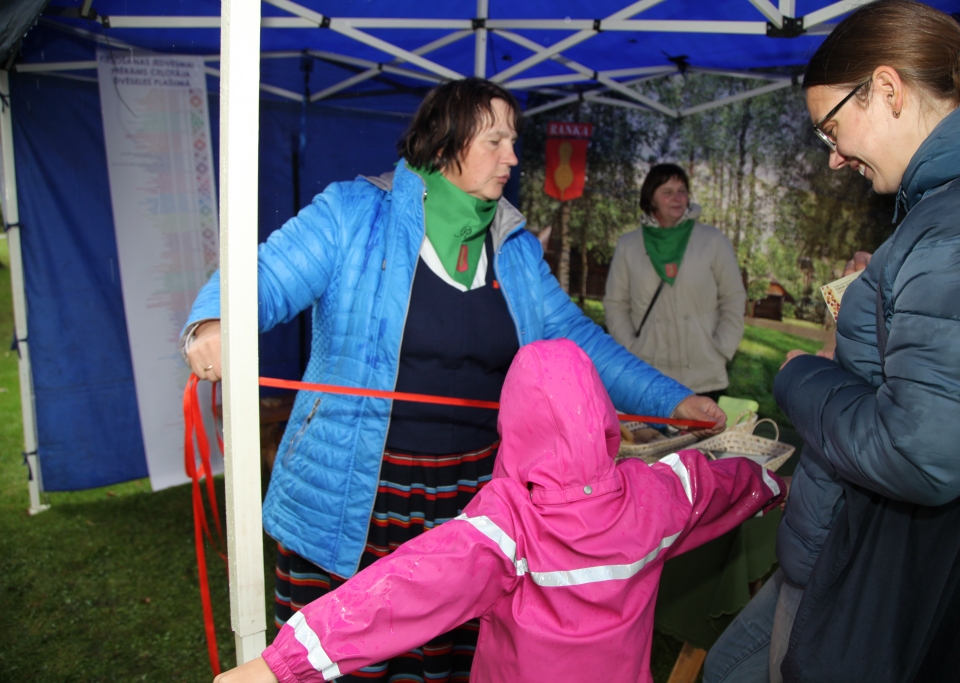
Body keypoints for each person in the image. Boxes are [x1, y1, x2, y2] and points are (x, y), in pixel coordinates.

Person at [182, 78, 726, 681]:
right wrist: (215, 321)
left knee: (449, 665)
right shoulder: (354, 213)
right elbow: (264, 276)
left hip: (475, 494)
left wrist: (674, 400)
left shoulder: (513, 247)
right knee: (348, 651)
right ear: (444, 145)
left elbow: (578, 340)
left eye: (513, 141)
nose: (511, 157)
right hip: (360, 495)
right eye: (495, 141)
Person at [703, 2, 960, 681]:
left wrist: (801, 376)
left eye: (833, 128)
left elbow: (922, 450)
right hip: (850, 547)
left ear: (886, 89)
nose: (834, 158)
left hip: (871, 570)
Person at [210, 339, 784, 683]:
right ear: (603, 416)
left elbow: (401, 590)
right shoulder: (655, 495)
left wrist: (281, 664)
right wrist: (771, 484)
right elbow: (723, 483)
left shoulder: (510, 527)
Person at [604, 164, 747, 401]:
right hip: (646, 374)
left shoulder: (712, 241)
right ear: (651, 198)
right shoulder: (628, 245)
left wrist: (722, 348)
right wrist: (630, 348)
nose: (677, 198)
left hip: (702, 374)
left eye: (682, 191)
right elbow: (615, 305)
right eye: (667, 192)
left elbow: (733, 297)